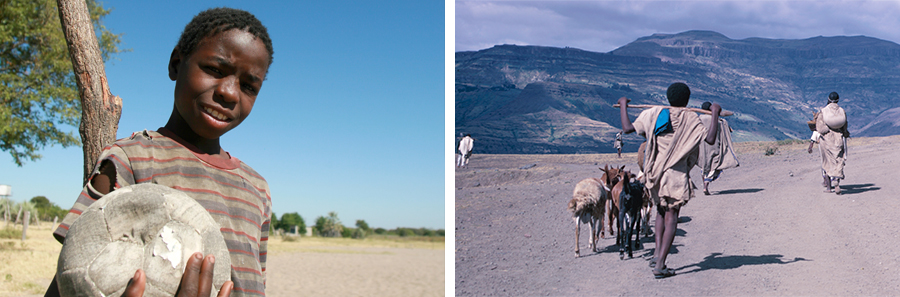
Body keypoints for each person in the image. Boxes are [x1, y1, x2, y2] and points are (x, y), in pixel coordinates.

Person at [46, 8, 274, 296]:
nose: (229, 92)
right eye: (215, 70)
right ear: (176, 63)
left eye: (248, 86)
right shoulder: (132, 159)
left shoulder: (257, 188)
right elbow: (74, 271)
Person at [617, 82, 721, 279]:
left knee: (660, 211)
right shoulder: (690, 117)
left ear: (668, 97)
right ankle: (661, 265)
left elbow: (628, 128)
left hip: (655, 173)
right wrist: (714, 113)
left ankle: (657, 255)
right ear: (688, 100)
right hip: (675, 174)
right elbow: (709, 139)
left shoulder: (655, 113)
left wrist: (623, 104)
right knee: (672, 216)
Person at [807, 92, 849, 194]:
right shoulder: (841, 111)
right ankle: (837, 182)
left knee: (827, 161)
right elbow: (845, 127)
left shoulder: (823, 111)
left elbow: (820, 129)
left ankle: (829, 188)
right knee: (838, 160)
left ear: (828, 99)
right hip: (839, 138)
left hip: (827, 140)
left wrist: (828, 130)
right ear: (838, 100)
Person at [697, 101, 740, 195]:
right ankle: (706, 184)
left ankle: (704, 185)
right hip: (714, 146)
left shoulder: (698, 119)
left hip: (702, 146)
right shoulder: (717, 120)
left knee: (704, 165)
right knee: (715, 165)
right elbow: (726, 128)